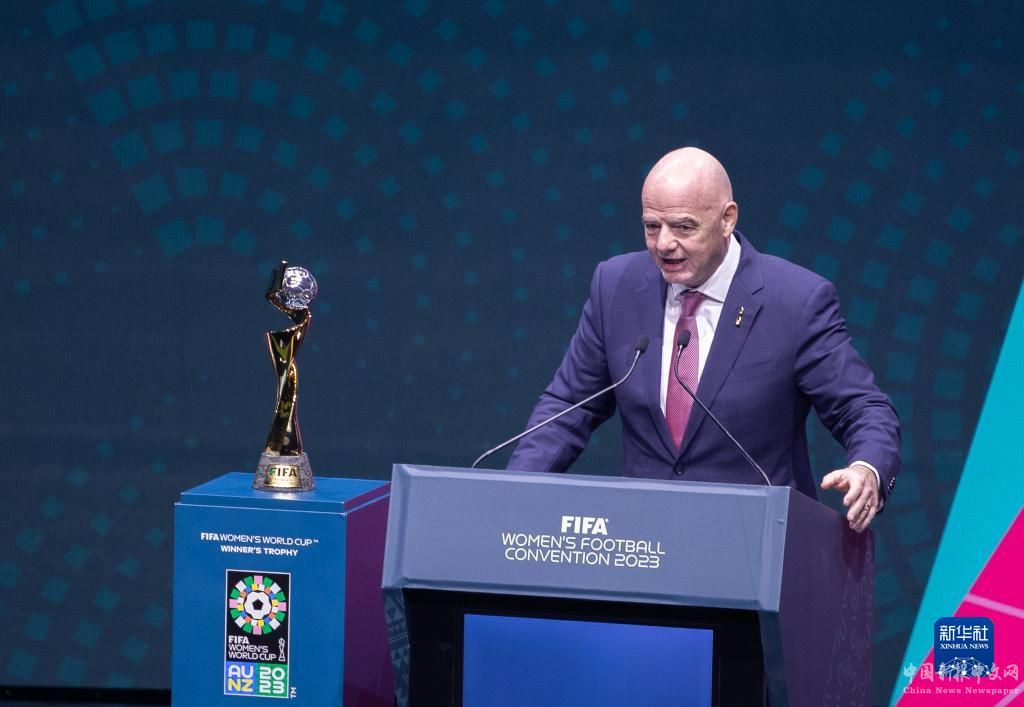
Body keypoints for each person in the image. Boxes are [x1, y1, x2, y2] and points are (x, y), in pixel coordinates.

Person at [507, 147, 900, 532]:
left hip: (755, 542)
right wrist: (513, 491)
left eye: (683, 227)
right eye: (651, 226)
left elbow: (863, 407)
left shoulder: (795, 300)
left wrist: (868, 469)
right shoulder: (616, 287)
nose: (663, 243)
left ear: (727, 219)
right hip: (642, 543)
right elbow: (567, 408)